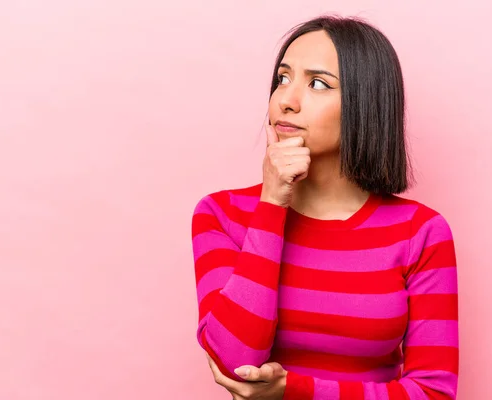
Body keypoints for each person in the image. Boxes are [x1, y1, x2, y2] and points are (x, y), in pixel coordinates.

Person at [191, 15, 458, 400]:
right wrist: (272, 203)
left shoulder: (422, 232)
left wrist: (297, 391)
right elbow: (235, 364)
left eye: (317, 84)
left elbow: (434, 392)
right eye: (283, 78)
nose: (287, 100)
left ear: (364, 104)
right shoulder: (221, 214)